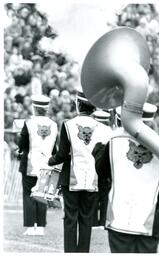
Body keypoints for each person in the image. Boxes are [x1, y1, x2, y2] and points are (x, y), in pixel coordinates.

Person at [95, 103, 159, 253]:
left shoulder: (113, 142)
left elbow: (102, 172)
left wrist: (99, 148)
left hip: (119, 214)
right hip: (150, 218)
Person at [48, 90, 111, 253]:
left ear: (78, 104)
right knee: (86, 219)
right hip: (93, 180)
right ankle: (83, 252)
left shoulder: (68, 125)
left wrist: (50, 160)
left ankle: (70, 252)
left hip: (71, 180)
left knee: (70, 218)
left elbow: (61, 154)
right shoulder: (104, 129)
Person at [18, 94, 58, 236]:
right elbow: (54, 148)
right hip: (46, 164)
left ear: (34, 108)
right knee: (41, 193)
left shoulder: (28, 123)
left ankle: (30, 226)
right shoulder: (54, 125)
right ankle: (40, 226)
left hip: (30, 163)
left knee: (29, 194)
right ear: (46, 109)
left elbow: (22, 144)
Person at [91, 110, 112, 228]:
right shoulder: (110, 131)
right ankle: (103, 221)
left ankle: (93, 221)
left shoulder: (93, 130)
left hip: (93, 162)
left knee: (94, 193)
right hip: (106, 164)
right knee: (105, 194)